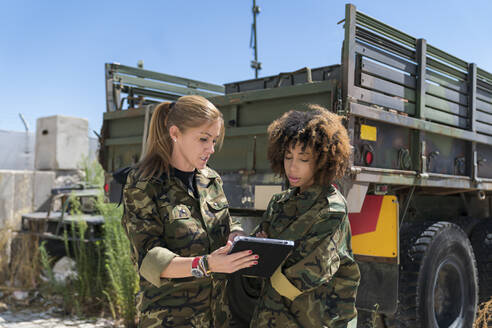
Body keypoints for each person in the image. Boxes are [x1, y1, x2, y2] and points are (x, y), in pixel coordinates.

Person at [121, 95, 258, 327]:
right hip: (170, 318)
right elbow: (149, 259)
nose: (211, 149)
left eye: (214, 140)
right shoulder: (144, 183)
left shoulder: (210, 179)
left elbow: (224, 222)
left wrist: (235, 236)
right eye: (203, 139)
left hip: (218, 316)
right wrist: (207, 265)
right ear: (175, 133)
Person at [250, 105, 361, 327]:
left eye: (303, 159)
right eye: (288, 157)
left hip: (313, 318)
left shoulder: (332, 209)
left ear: (323, 160)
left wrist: (264, 259)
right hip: (269, 315)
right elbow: (254, 252)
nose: (292, 167)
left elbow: (309, 271)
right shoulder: (279, 202)